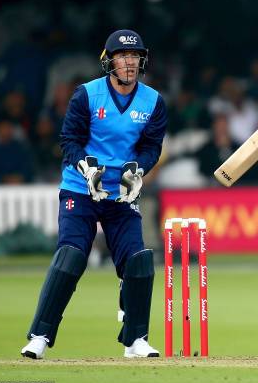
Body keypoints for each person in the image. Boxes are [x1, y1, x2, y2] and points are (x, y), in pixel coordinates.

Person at [21, 29, 166, 359]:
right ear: (109, 61)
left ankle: (135, 340)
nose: (129, 62)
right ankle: (39, 336)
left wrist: (137, 169)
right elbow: (69, 140)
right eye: (122, 57)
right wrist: (86, 167)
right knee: (72, 254)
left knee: (139, 259)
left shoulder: (153, 101)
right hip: (81, 188)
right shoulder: (86, 95)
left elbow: (151, 147)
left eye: (134, 57)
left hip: (121, 195)